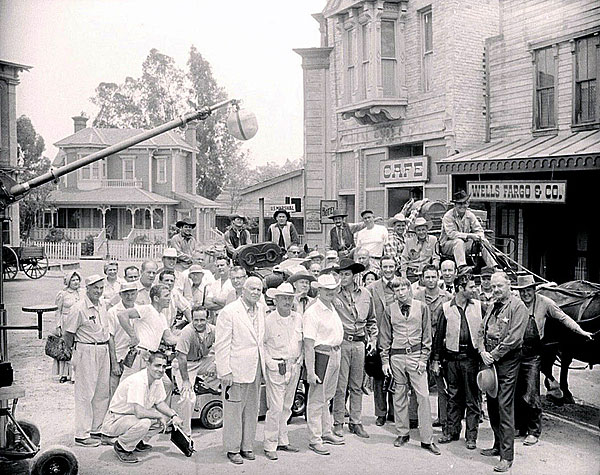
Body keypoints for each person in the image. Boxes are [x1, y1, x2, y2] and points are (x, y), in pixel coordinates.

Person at [513, 274, 593, 446]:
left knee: (532, 393)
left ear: (534, 290)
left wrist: (581, 331)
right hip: (515, 351)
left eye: (528, 290)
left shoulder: (545, 303)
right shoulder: (515, 303)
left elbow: (563, 318)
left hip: (533, 354)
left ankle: (533, 431)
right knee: (517, 392)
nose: (525, 294)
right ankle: (519, 427)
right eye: (522, 291)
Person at [379, 277, 440, 456]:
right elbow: (385, 337)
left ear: (409, 289)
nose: (400, 293)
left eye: (403, 289)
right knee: (399, 395)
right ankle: (402, 433)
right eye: (396, 290)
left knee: (423, 396)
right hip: (397, 356)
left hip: (415, 355)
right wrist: (384, 360)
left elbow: (427, 336)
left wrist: (423, 358)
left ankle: (427, 439)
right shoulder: (389, 310)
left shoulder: (422, 307)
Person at [478, 272, 529, 473]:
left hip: (507, 360)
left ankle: (506, 457)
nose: (496, 290)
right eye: (493, 287)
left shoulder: (518, 307)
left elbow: (514, 338)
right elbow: (481, 330)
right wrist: (482, 350)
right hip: (489, 358)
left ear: (509, 285)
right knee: (491, 403)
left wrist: (494, 354)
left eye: (500, 286)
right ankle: (497, 444)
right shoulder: (492, 305)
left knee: (504, 405)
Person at [215, 276, 266, 465]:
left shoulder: (261, 309)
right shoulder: (229, 312)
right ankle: (233, 448)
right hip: (235, 370)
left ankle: (247, 446)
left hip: (255, 368)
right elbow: (221, 344)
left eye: (258, 289)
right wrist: (225, 371)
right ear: (243, 290)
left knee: (252, 410)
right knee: (234, 411)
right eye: (252, 289)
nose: (255, 292)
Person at [102, 351, 184, 464]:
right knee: (145, 422)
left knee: (165, 417)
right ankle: (122, 446)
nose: (161, 369)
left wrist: (173, 416)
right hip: (116, 420)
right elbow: (139, 413)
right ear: (148, 365)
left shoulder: (157, 379)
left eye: (164, 366)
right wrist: (159, 416)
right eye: (157, 365)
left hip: (129, 418)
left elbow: (159, 403)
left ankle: (136, 440)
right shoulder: (138, 381)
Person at [432, 272, 482, 450]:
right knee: (453, 397)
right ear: (461, 288)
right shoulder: (446, 308)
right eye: (471, 287)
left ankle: (471, 436)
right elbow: (438, 337)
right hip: (451, 359)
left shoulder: (478, 306)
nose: (474, 289)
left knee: (472, 399)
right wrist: (436, 360)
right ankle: (452, 432)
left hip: (471, 359)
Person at [63, 274, 112, 447]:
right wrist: (73, 354)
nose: (98, 291)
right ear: (87, 289)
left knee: (101, 392)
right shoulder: (79, 308)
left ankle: (96, 429)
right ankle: (81, 435)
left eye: (101, 288)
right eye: (95, 288)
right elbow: (68, 334)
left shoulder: (103, 304)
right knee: (85, 393)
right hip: (86, 349)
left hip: (103, 348)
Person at [332, 258, 378, 439]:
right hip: (342, 342)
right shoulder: (334, 294)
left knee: (357, 385)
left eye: (346, 274)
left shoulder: (366, 294)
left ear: (354, 276)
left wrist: (372, 340)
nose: (343, 277)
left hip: (359, 343)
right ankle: (337, 422)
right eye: (341, 274)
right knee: (340, 385)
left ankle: (356, 421)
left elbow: (372, 320)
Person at [303, 274, 344, 455]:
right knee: (316, 399)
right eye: (326, 289)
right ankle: (315, 438)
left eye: (333, 289)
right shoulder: (313, 312)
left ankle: (326, 432)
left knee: (327, 397)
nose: (330, 292)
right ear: (319, 290)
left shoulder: (332, 306)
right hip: (322, 355)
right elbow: (308, 344)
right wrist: (311, 371)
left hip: (336, 352)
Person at [263, 283, 304, 460]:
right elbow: (262, 345)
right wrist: (270, 363)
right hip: (276, 367)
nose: (287, 301)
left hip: (294, 365)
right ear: (276, 299)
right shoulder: (269, 320)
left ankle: (282, 440)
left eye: (290, 298)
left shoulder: (298, 318)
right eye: (284, 298)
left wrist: (300, 359)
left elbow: (301, 341)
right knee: (276, 407)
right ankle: (269, 444)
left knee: (287, 406)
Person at [413, 264, 451, 435]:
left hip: (441, 346)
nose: (430, 280)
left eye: (433, 277)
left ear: (438, 278)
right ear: (422, 278)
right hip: (421, 344)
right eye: (427, 277)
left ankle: (444, 419)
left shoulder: (447, 298)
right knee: (417, 382)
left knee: (441, 384)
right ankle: (415, 418)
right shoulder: (417, 297)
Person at [174, 306, 219, 435]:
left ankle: (210, 385)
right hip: (186, 365)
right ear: (192, 319)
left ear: (208, 319)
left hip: (202, 361)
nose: (199, 323)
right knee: (188, 398)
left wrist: (214, 364)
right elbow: (181, 357)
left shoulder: (213, 330)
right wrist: (186, 381)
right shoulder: (187, 332)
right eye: (196, 320)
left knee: (224, 363)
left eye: (202, 320)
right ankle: (185, 432)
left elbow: (222, 348)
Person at [118, 284, 179, 379]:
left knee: (166, 385)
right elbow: (122, 315)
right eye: (166, 296)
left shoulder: (162, 317)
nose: (169, 299)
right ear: (156, 298)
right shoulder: (147, 309)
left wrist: (186, 338)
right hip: (138, 355)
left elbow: (169, 339)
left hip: (151, 357)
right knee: (128, 385)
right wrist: (133, 336)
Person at [366, 255, 397, 426]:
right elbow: (369, 314)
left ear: (396, 267)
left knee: (397, 376)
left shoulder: (402, 285)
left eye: (391, 266)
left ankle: (394, 411)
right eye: (385, 267)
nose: (388, 270)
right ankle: (380, 412)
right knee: (379, 377)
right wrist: (372, 337)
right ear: (380, 268)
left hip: (398, 337)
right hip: (379, 338)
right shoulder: (372, 288)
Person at [439, 190, 495, 273]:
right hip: (447, 245)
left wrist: (479, 237)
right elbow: (451, 234)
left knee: (483, 241)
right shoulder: (448, 216)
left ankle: (493, 266)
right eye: (459, 204)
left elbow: (479, 230)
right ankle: (462, 267)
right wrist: (470, 236)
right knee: (458, 242)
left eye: (464, 203)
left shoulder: (470, 215)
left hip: (465, 246)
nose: (462, 206)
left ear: (468, 204)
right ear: (455, 205)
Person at [106, 282, 139, 396]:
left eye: (132, 294)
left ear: (136, 294)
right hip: (119, 356)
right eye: (126, 294)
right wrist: (114, 363)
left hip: (137, 358)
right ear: (120, 295)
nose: (129, 297)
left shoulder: (141, 310)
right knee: (115, 392)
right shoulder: (113, 312)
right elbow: (110, 338)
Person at [52, 271, 82, 383]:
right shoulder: (63, 294)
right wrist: (58, 325)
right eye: (73, 280)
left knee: (77, 347)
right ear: (68, 282)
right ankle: (64, 373)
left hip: (79, 322)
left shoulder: (82, 293)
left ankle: (76, 374)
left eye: (77, 280)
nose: (76, 282)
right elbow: (58, 311)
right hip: (66, 321)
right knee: (66, 347)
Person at [401, 217, 440, 283]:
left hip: (426, 271)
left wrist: (433, 269)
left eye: (423, 229)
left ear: (427, 230)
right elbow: (404, 259)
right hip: (411, 272)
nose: (421, 232)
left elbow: (436, 257)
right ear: (415, 231)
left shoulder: (433, 240)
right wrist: (404, 276)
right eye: (419, 230)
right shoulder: (409, 241)